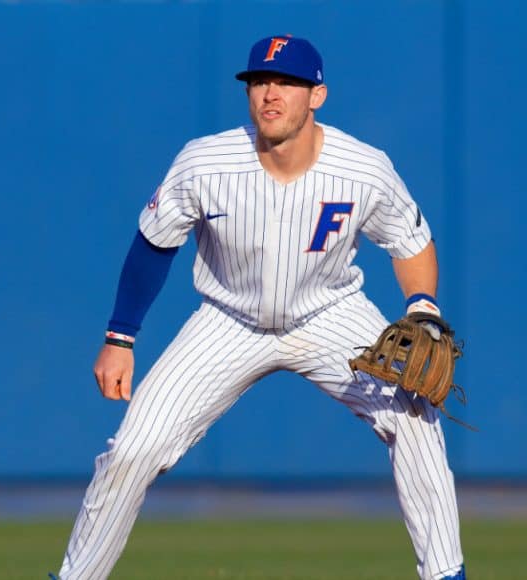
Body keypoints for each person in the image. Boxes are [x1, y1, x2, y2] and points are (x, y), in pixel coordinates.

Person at [52, 35, 467, 580]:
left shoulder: (364, 167)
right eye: (259, 82)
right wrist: (120, 338)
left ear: (317, 95)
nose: (270, 94)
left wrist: (422, 307)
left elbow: (411, 241)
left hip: (330, 313)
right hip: (229, 321)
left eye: (287, 83)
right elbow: (154, 243)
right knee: (132, 450)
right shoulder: (206, 162)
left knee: (416, 420)